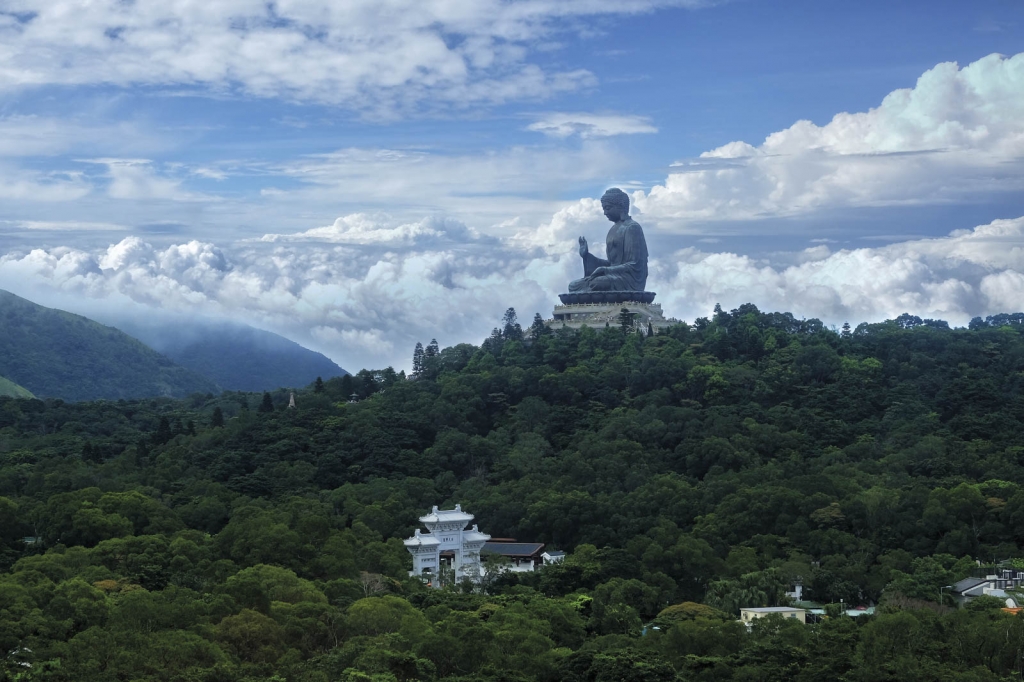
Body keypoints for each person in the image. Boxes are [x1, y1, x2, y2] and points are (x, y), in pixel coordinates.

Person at [568, 188, 649, 293]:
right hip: (613, 275)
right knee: (573, 286)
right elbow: (611, 264)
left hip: (629, 280)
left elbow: (634, 265)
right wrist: (587, 256)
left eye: (608, 208)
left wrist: (606, 270)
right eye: (604, 209)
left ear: (620, 206)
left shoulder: (632, 228)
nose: (605, 213)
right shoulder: (613, 230)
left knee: (598, 283)